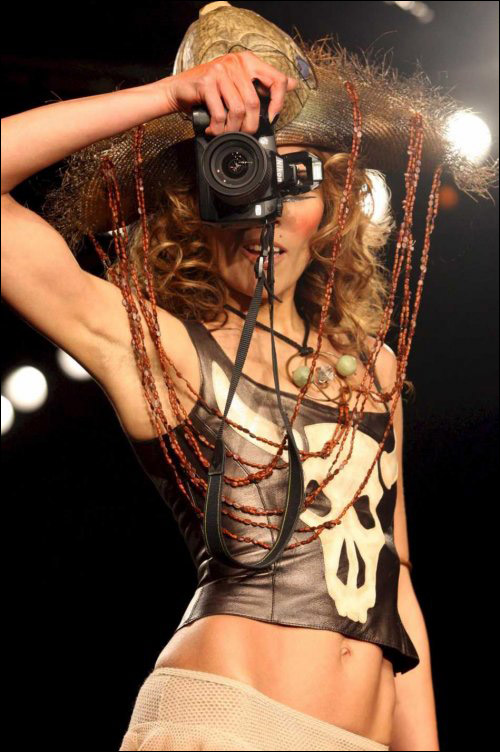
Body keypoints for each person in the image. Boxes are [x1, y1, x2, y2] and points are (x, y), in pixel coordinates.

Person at [2, 2, 495, 749]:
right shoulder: (162, 350)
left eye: (293, 176)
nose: (267, 212)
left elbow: (395, 581)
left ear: (332, 200)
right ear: (191, 204)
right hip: (226, 722)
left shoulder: (373, 368)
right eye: (239, 172)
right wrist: (169, 98)